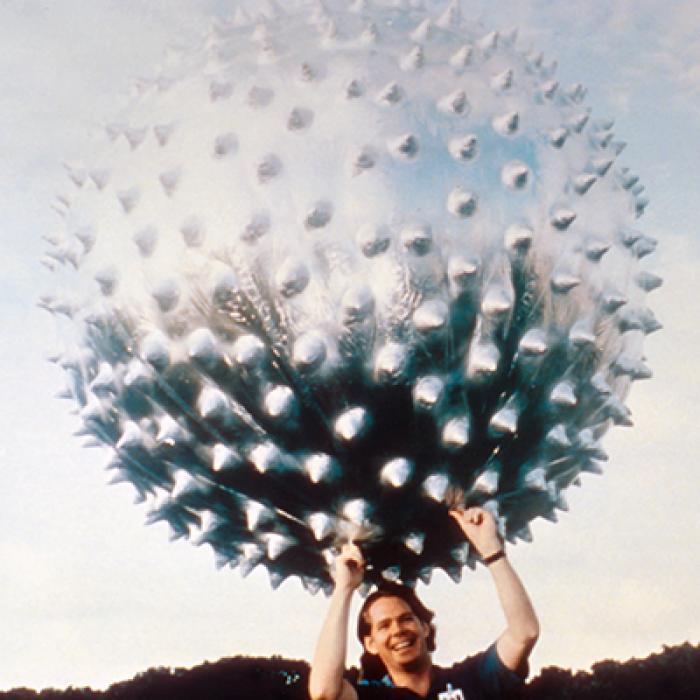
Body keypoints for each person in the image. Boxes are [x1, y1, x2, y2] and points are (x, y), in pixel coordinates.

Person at [309, 506, 539, 699]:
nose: (398, 630)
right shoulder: (373, 696)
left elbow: (524, 633)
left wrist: (491, 549)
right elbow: (323, 693)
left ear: (425, 628)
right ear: (370, 644)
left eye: (406, 619)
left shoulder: (472, 680)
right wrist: (344, 589)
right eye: (384, 625)